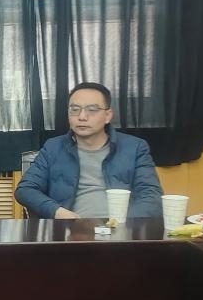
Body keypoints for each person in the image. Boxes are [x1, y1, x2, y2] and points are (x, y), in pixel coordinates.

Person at [15, 82, 163, 219]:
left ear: (108, 116)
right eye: (75, 110)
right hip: (69, 229)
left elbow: (151, 196)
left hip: (121, 229)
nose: (82, 117)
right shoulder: (53, 148)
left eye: (92, 110)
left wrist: (122, 223)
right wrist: (57, 212)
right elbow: (26, 189)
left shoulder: (135, 147)